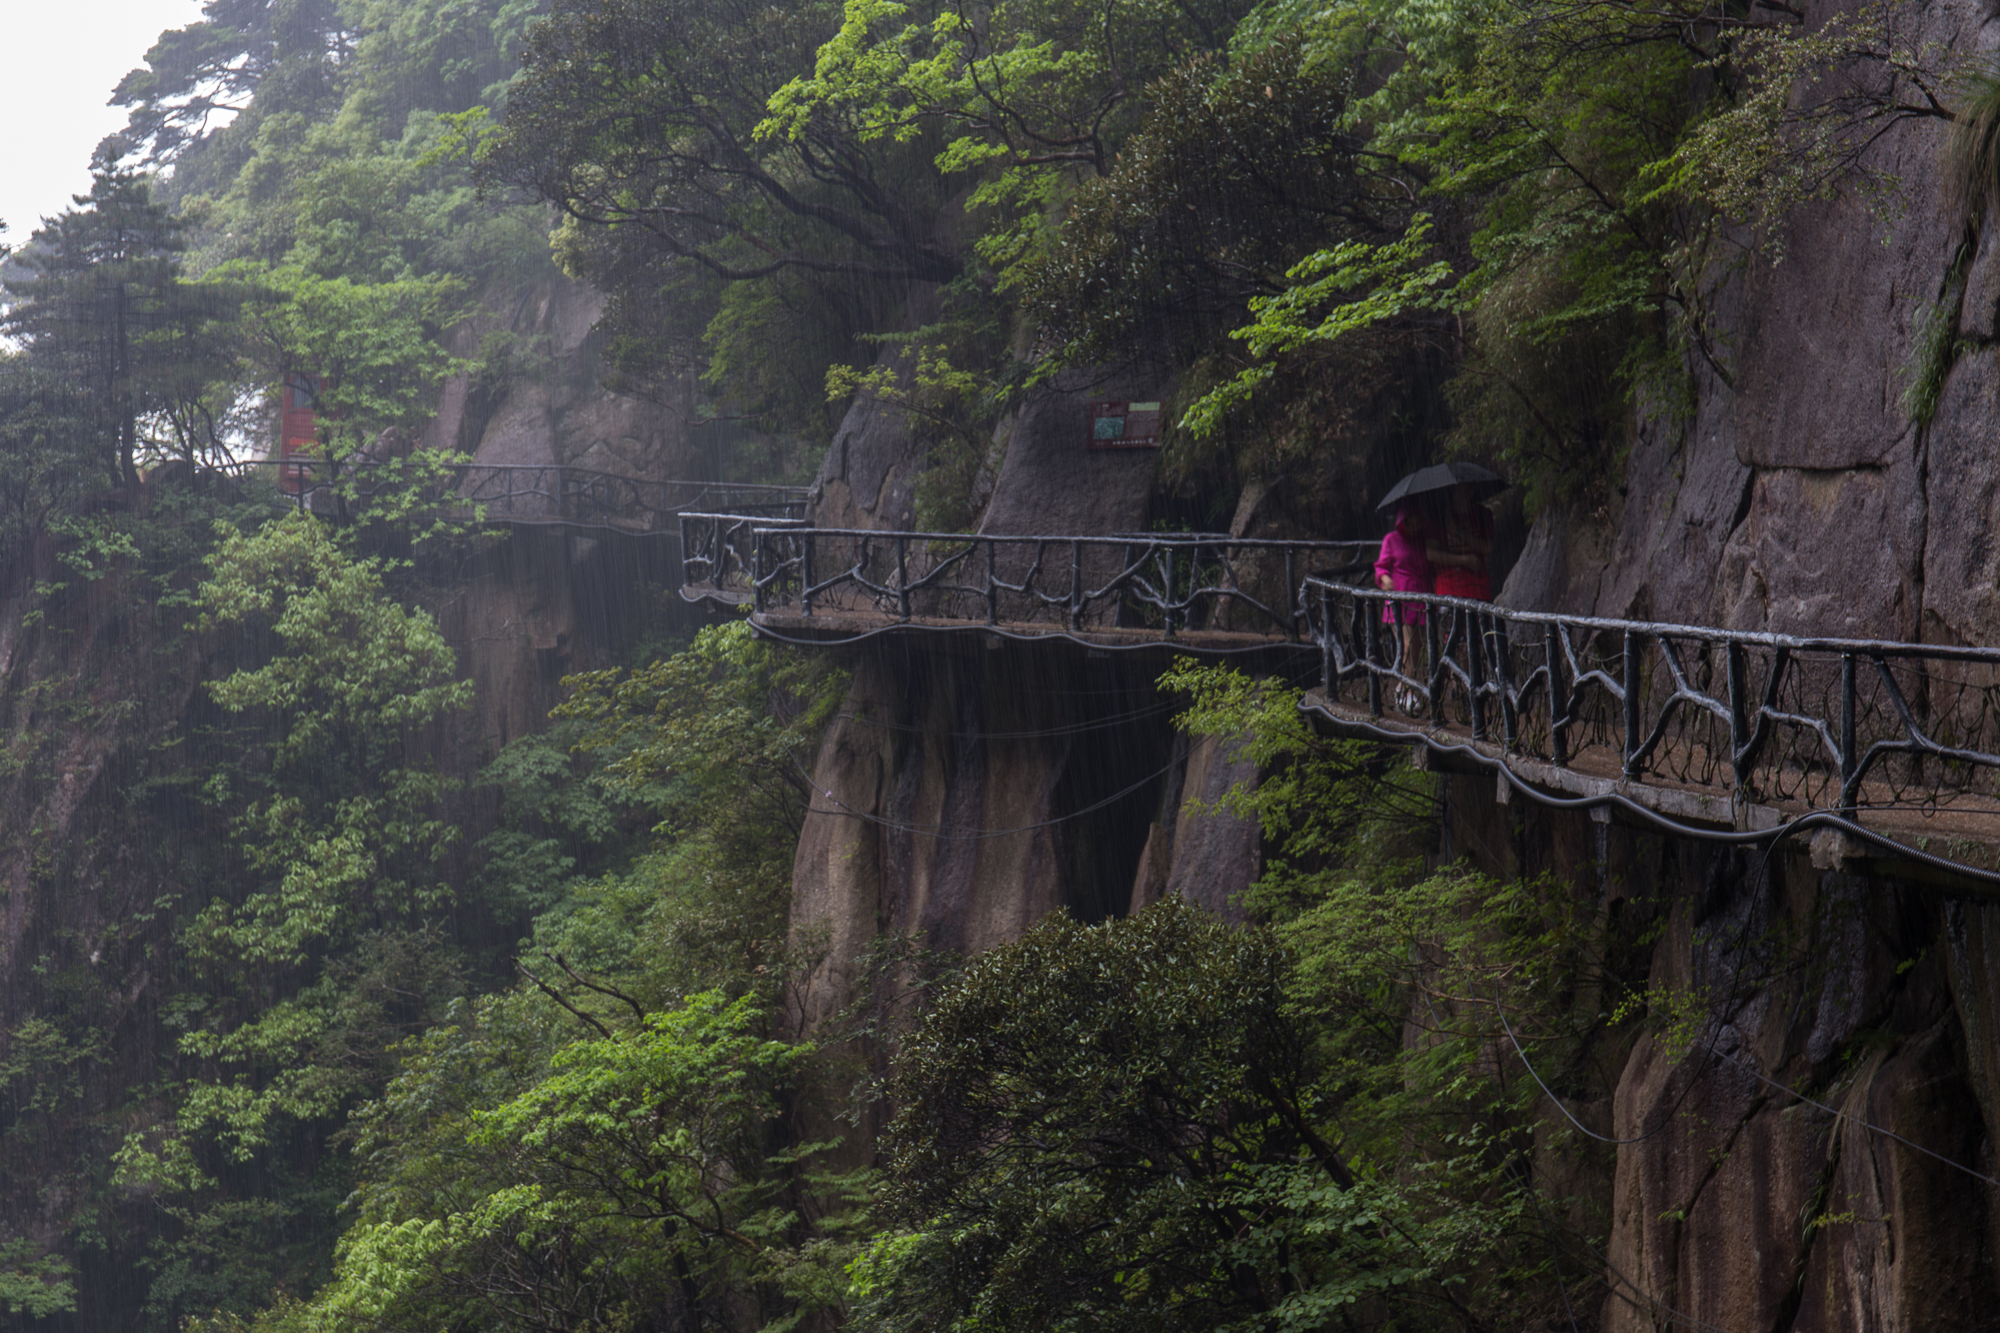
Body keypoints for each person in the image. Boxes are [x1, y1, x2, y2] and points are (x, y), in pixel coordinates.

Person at [1373, 501, 1432, 714]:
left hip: (1420, 600)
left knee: (1416, 648)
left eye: (1418, 521)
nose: (1414, 525)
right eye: (1410, 521)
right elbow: (1381, 566)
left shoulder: (1423, 541)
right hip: (1399, 601)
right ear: (1402, 521)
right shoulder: (1392, 540)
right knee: (1406, 646)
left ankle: (1404, 685)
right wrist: (1385, 578)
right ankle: (1405, 692)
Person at [1426, 482, 1495, 601]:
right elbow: (1431, 553)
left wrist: (1458, 531)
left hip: (1478, 587)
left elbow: (1487, 547)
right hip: (1448, 587)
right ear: (1452, 489)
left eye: (1469, 488)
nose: (1464, 492)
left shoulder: (1482, 514)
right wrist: (1463, 560)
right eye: (1459, 488)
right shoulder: (1439, 516)